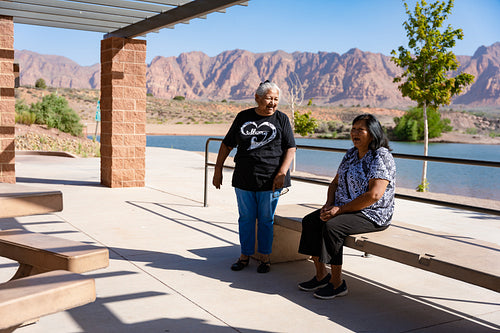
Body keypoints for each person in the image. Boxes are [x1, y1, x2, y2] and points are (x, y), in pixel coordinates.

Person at [297, 113, 395, 299]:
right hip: (343, 207)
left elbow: (374, 195)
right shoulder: (351, 154)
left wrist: (339, 210)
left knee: (332, 227)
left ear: (373, 134)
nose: (355, 133)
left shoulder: (380, 156)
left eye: (361, 130)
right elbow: (334, 183)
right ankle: (321, 275)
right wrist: (328, 205)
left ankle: (337, 283)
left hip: (372, 214)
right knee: (311, 221)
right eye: (353, 129)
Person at [213, 80, 296, 273]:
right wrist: (218, 170)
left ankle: (265, 257)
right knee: (246, 218)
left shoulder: (281, 119)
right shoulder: (243, 117)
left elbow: (290, 148)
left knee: (266, 219)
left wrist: (282, 172)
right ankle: (245, 255)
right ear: (257, 98)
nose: (272, 103)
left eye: (276, 99)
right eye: (268, 98)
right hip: (244, 178)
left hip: (271, 179)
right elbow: (227, 145)